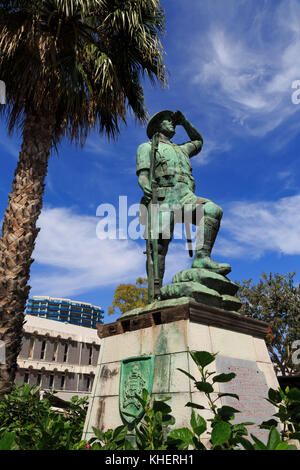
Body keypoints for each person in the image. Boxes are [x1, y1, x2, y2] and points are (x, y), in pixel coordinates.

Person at [136, 109, 230, 287]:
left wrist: (185, 122)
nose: (172, 122)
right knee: (158, 247)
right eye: (167, 120)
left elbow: (198, 141)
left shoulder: (182, 149)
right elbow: (143, 175)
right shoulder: (147, 147)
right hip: (163, 198)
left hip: (185, 196)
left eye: (173, 120)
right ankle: (156, 290)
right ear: (157, 125)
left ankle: (202, 258)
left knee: (212, 210)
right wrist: (145, 185)